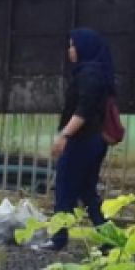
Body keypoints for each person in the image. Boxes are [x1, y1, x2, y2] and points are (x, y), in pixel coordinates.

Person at [36, 28, 115, 251]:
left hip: (83, 140)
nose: (70, 50)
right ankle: (109, 237)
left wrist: (65, 135)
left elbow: (84, 109)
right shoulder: (95, 72)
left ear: (83, 47)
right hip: (91, 140)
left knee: (64, 187)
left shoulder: (89, 74)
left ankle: (59, 237)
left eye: (73, 45)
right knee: (87, 191)